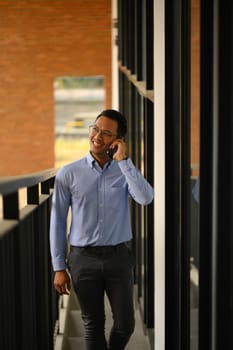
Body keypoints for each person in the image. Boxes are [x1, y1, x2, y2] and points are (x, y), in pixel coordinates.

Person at [50, 109, 154, 350]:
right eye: (95, 129)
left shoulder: (125, 170)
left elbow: (146, 198)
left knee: (126, 324)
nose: (97, 136)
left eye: (106, 133)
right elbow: (57, 221)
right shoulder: (69, 173)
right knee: (93, 325)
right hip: (82, 259)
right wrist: (58, 267)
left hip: (118, 257)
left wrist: (124, 162)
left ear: (118, 141)